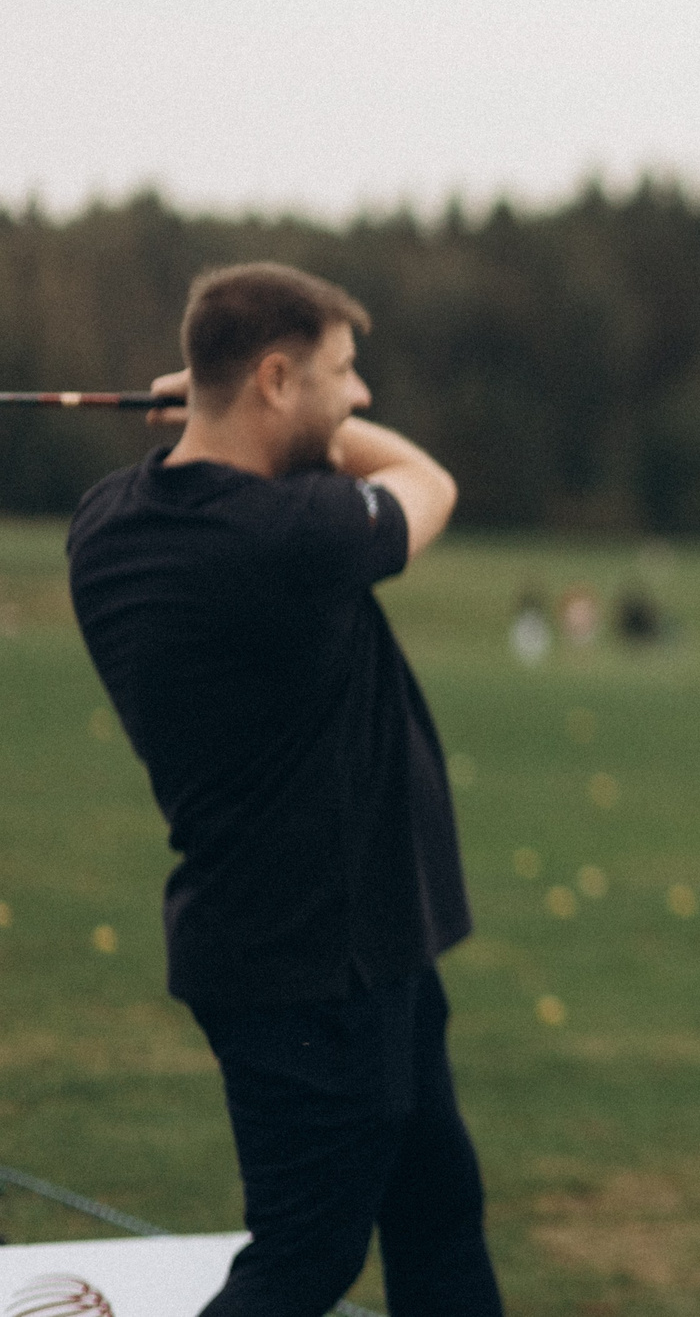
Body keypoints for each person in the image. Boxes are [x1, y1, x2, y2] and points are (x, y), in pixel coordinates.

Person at [66, 262, 504, 1317]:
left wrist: (217, 414)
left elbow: (209, 472)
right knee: (304, 1259)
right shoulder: (291, 538)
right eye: (342, 374)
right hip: (318, 962)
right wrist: (224, 404)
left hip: (340, 939)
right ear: (271, 378)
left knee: (437, 1205)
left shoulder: (107, 524)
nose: (358, 398)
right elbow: (429, 483)